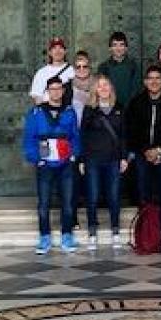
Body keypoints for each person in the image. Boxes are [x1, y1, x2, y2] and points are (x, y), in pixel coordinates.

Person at [125, 65, 161, 249]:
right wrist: (147, 151)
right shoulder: (136, 103)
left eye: (158, 78)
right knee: (143, 191)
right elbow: (131, 130)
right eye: (150, 78)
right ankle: (144, 230)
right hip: (143, 153)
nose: (154, 81)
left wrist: (159, 150)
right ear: (145, 81)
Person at [23, 76, 81, 255]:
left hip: (65, 163)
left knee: (68, 201)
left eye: (59, 88)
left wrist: (74, 155)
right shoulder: (36, 112)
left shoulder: (70, 111)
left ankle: (67, 235)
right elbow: (29, 138)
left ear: (63, 91)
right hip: (45, 163)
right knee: (44, 202)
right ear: (47, 92)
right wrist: (36, 159)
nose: (56, 92)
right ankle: (44, 237)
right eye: (52, 89)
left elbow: (75, 136)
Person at [80, 75, 128, 250]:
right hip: (93, 159)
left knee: (114, 197)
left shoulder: (120, 108)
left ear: (111, 88)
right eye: (99, 86)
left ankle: (115, 231)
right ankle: (92, 232)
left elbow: (123, 135)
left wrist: (124, 157)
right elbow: (82, 136)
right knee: (92, 196)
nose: (103, 88)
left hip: (113, 159)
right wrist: (82, 159)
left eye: (106, 85)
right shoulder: (89, 110)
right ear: (95, 90)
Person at [69, 51, 93, 229]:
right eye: (78, 66)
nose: (82, 69)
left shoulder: (97, 86)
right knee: (74, 178)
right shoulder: (67, 87)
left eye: (85, 66)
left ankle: (92, 215)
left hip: (92, 138)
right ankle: (74, 216)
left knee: (91, 177)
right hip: (74, 138)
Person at [97, 31, 140, 108]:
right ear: (110, 48)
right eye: (115, 45)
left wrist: (129, 106)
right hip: (110, 108)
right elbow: (101, 89)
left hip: (130, 109)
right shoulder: (103, 67)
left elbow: (136, 89)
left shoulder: (133, 66)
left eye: (121, 45)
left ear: (126, 48)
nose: (118, 48)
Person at [29, 37, 75, 106]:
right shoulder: (41, 73)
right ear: (50, 52)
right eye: (54, 48)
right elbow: (36, 97)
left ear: (65, 51)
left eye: (60, 48)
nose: (58, 51)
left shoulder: (73, 70)